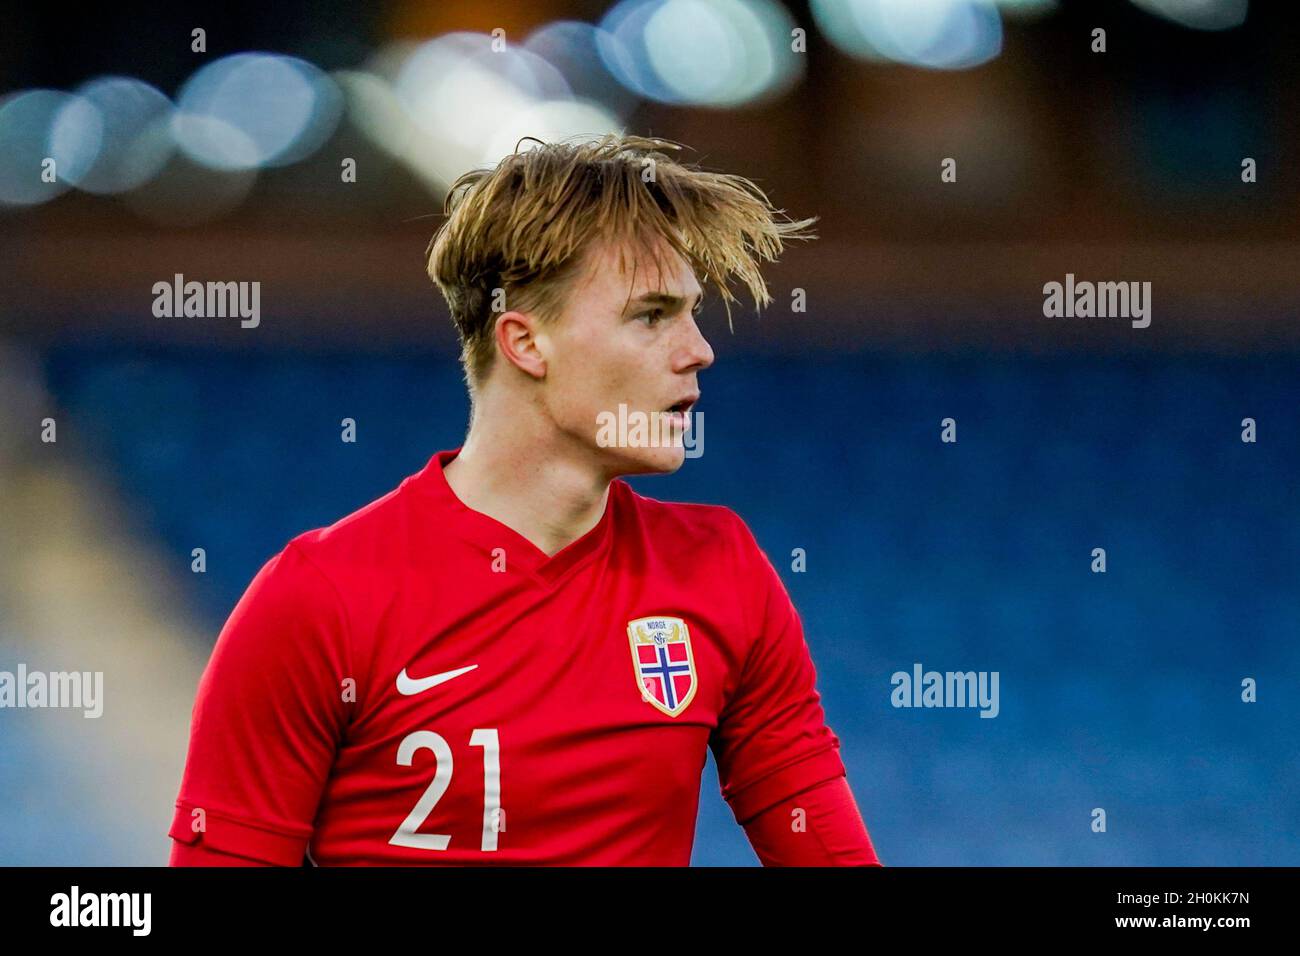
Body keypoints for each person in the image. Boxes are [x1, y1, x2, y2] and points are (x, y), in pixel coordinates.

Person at [168, 134, 881, 866]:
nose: (698, 349)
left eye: (692, 313)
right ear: (525, 342)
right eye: (652, 315)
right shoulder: (320, 598)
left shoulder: (720, 572)